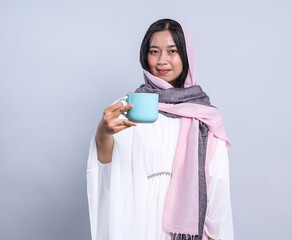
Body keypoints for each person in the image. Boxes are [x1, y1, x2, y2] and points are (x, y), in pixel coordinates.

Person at [87, 19, 234, 240]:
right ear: (144, 57)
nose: (162, 60)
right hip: (137, 222)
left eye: (172, 51)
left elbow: (217, 181)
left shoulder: (204, 116)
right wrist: (103, 132)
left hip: (186, 228)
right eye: (154, 51)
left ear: (186, 56)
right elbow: (108, 166)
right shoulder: (129, 107)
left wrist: (214, 235)